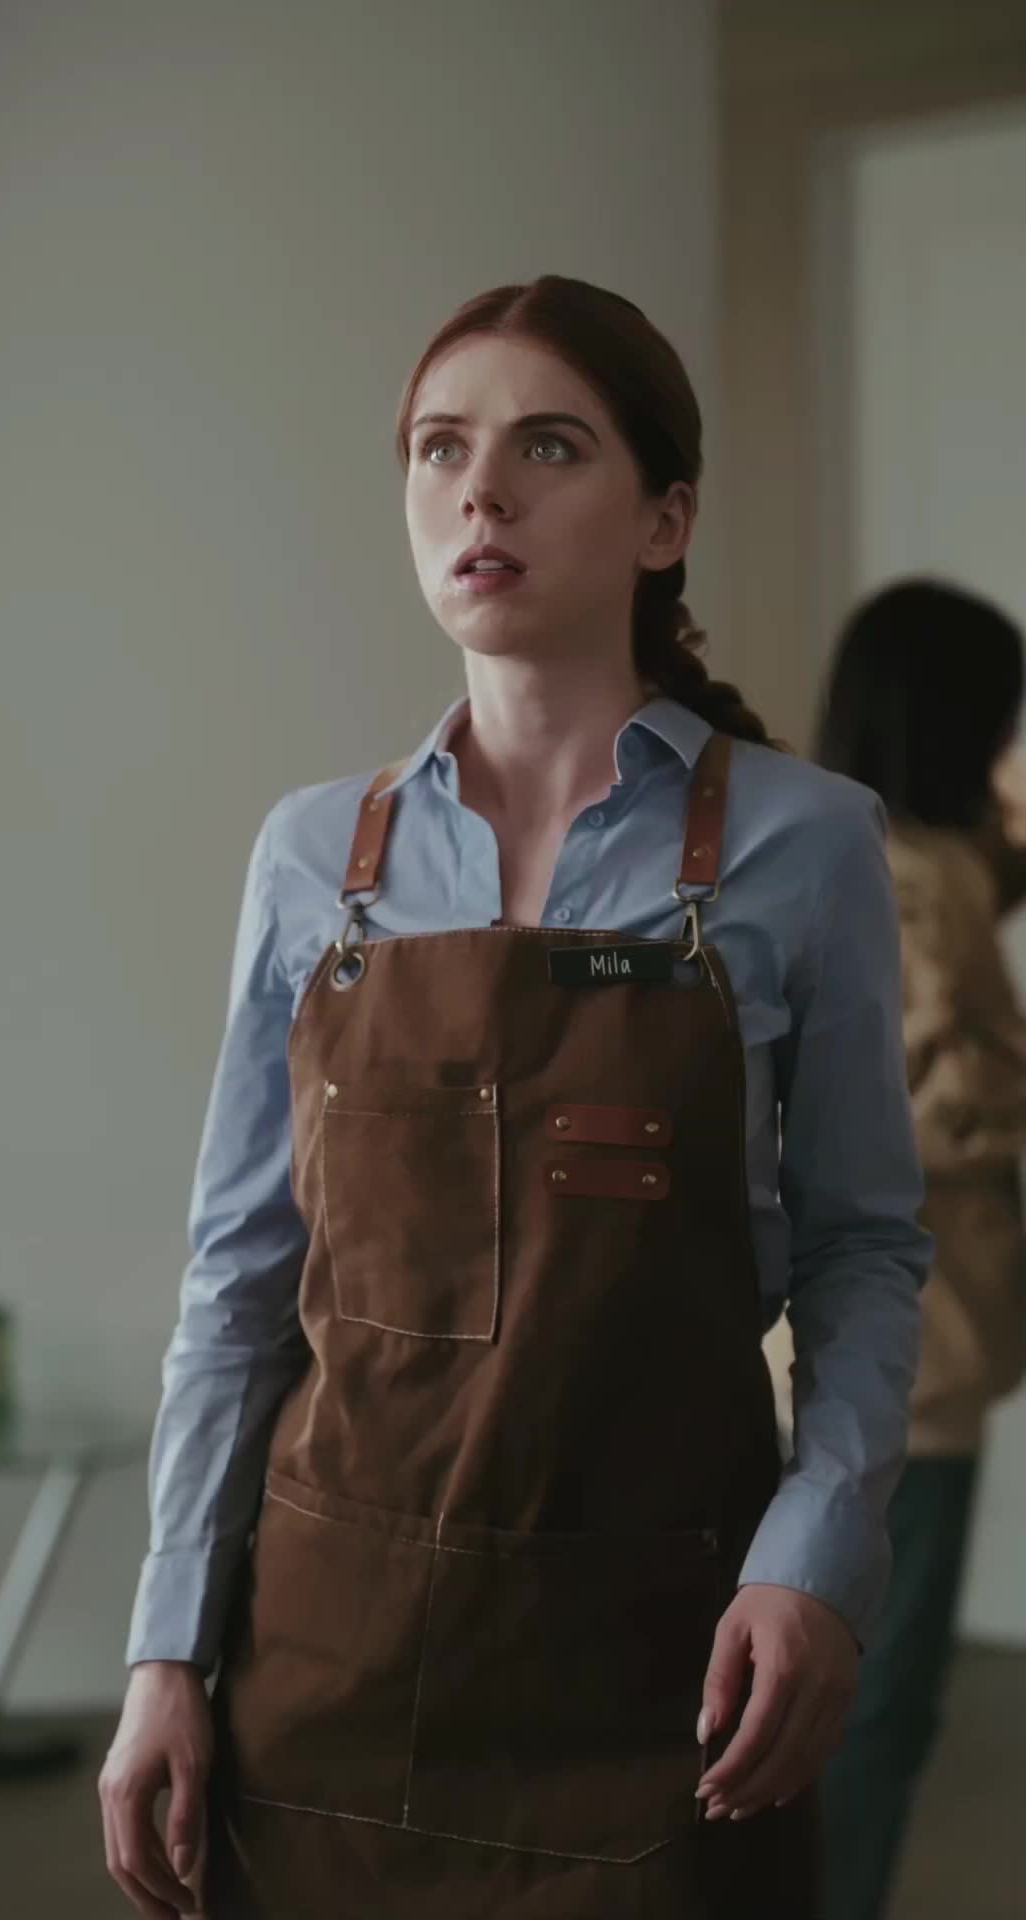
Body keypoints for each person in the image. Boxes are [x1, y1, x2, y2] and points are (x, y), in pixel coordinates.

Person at [98, 276, 929, 1920]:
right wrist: (165, 1647)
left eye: (548, 446)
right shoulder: (311, 858)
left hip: (666, 1661)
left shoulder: (807, 840)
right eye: (440, 448)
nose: (480, 492)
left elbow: (864, 1250)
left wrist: (817, 1557)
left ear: (665, 519)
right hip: (324, 1660)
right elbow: (240, 1282)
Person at [812, 579, 1026, 1920]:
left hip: (885, 1341)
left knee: (856, 1678)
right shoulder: (912, 876)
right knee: (878, 1697)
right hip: (915, 1347)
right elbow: (914, 1108)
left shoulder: (869, 843)